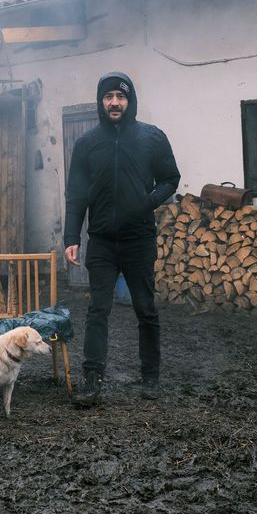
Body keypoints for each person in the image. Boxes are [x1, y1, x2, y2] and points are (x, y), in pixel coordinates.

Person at [64, 71, 180, 406]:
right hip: (100, 241)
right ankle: (91, 380)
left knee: (145, 309)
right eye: (108, 97)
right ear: (101, 102)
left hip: (138, 239)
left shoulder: (151, 138)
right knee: (97, 310)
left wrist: (148, 201)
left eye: (121, 97)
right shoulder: (87, 143)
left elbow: (171, 179)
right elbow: (76, 194)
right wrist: (72, 235)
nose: (115, 103)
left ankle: (151, 377)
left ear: (130, 101)